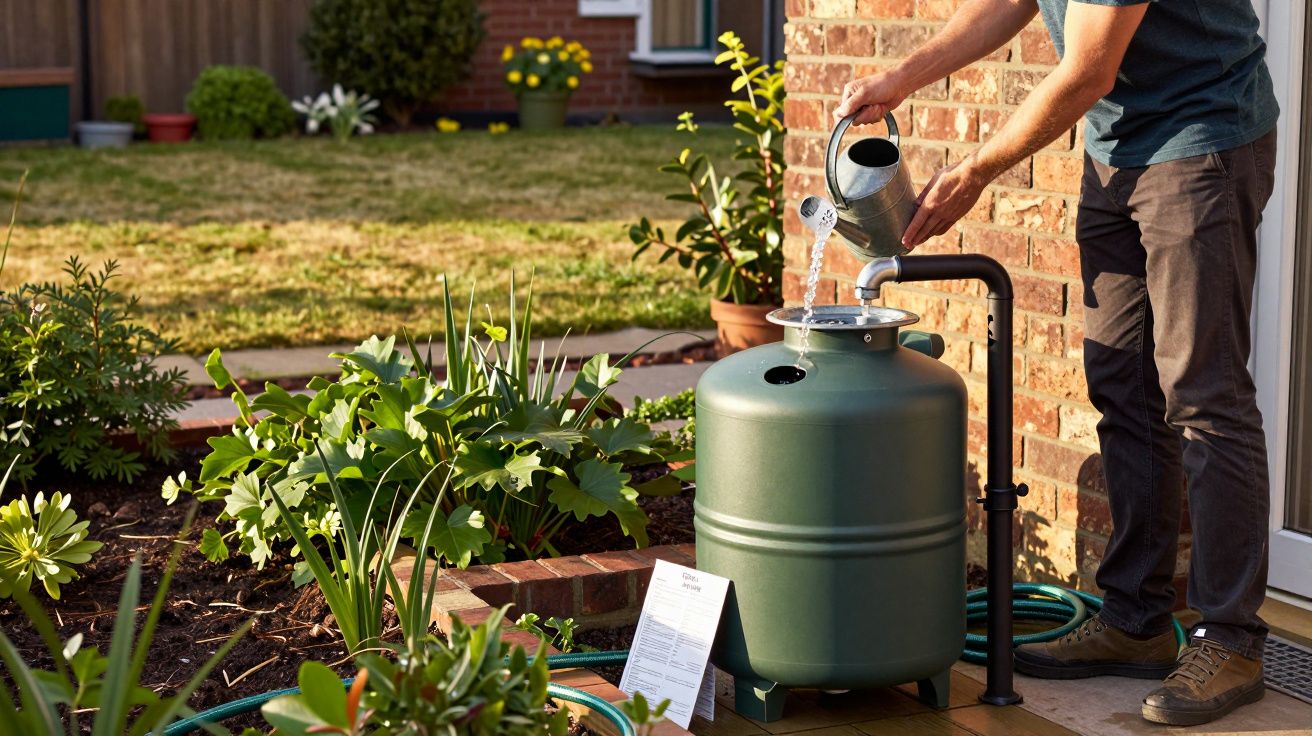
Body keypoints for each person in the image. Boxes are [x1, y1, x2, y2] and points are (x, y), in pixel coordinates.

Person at [833, 0, 1278, 727]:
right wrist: (901, 78)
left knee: (1205, 396)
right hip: (1117, 151)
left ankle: (1231, 639)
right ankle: (1135, 621)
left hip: (1201, 141)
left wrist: (975, 171)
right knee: (1124, 388)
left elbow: (1088, 72)